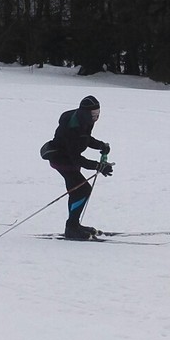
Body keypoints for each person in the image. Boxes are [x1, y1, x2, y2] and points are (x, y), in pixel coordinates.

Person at [42, 95, 112, 239]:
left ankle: (74, 225)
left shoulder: (85, 120)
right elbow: (76, 157)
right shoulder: (72, 127)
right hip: (62, 160)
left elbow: (85, 138)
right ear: (85, 113)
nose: (96, 117)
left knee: (78, 191)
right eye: (93, 114)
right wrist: (98, 166)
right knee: (83, 190)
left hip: (69, 160)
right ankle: (72, 227)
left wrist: (100, 145)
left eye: (98, 113)